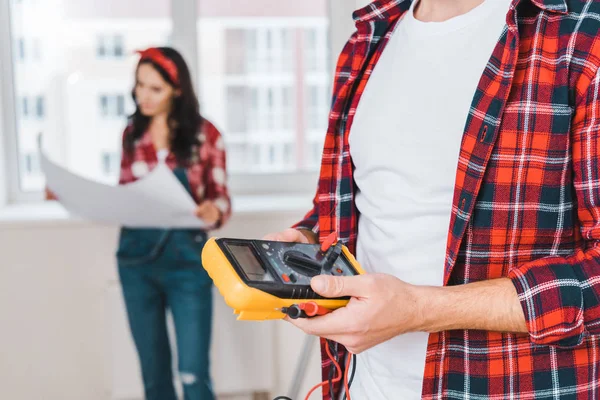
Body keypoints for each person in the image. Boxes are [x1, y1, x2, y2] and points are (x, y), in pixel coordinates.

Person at [265, 0, 600, 398]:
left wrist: (420, 309)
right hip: (364, 385)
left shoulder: (581, 35)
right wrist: (308, 240)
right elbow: (374, 200)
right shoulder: (368, 38)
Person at [117, 47, 230, 400]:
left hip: (188, 263)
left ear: (177, 90)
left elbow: (222, 199)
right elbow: (123, 195)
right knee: (153, 375)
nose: (143, 96)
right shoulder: (132, 134)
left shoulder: (206, 135)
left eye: (155, 89)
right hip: (136, 263)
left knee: (193, 375)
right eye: (139, 86)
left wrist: (213, 210)